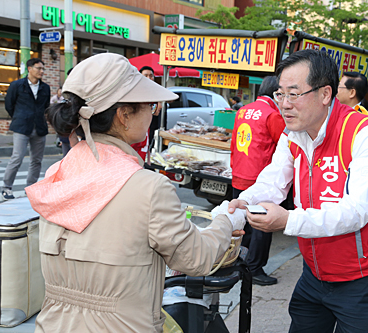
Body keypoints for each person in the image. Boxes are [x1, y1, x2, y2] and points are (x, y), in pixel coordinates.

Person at [25, 53, 246, 332]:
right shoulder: (148, 187)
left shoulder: (58, 172)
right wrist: (226, 220)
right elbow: (196, 258)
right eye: (151, 105)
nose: (154, 113)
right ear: (124, 115)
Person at [228, 49, 368, 332]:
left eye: (294, 94)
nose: (284, 104)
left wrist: (287, 221)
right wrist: (239, 204)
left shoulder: (365, 134)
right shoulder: (292, 132)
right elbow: (273, 181)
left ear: (325, 94)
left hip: (362, 276)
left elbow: (356, 211)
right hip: (314, 272)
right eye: (280, 94)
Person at [230, 76, 287, 286]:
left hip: (239, 173)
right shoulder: (272, 115)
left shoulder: (243, 111)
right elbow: (285, 148)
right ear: (276, 93)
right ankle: (254, 268)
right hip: (259, 180)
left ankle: (241, 261)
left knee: (243, 223)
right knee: (262, 227)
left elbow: (233, 142)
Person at [1, 58, 50, 200]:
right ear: (29, 69)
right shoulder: (17, 85)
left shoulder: (45, 87)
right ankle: (6, 187)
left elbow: (45, 106)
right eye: (38, 68)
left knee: (37, 160)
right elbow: (9, 105)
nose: (41, 71)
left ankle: (30, 188)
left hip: (39, 127)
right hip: (21, 127)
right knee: (17, 157)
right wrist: (19, 117)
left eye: (43, 69)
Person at [131, 66, 162, 162]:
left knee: (145, 148)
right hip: (136, 126)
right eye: (146, 75)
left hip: (150, 126)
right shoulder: (134, 90)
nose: (149, 78)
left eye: (151, 76)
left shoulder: (156, 91)